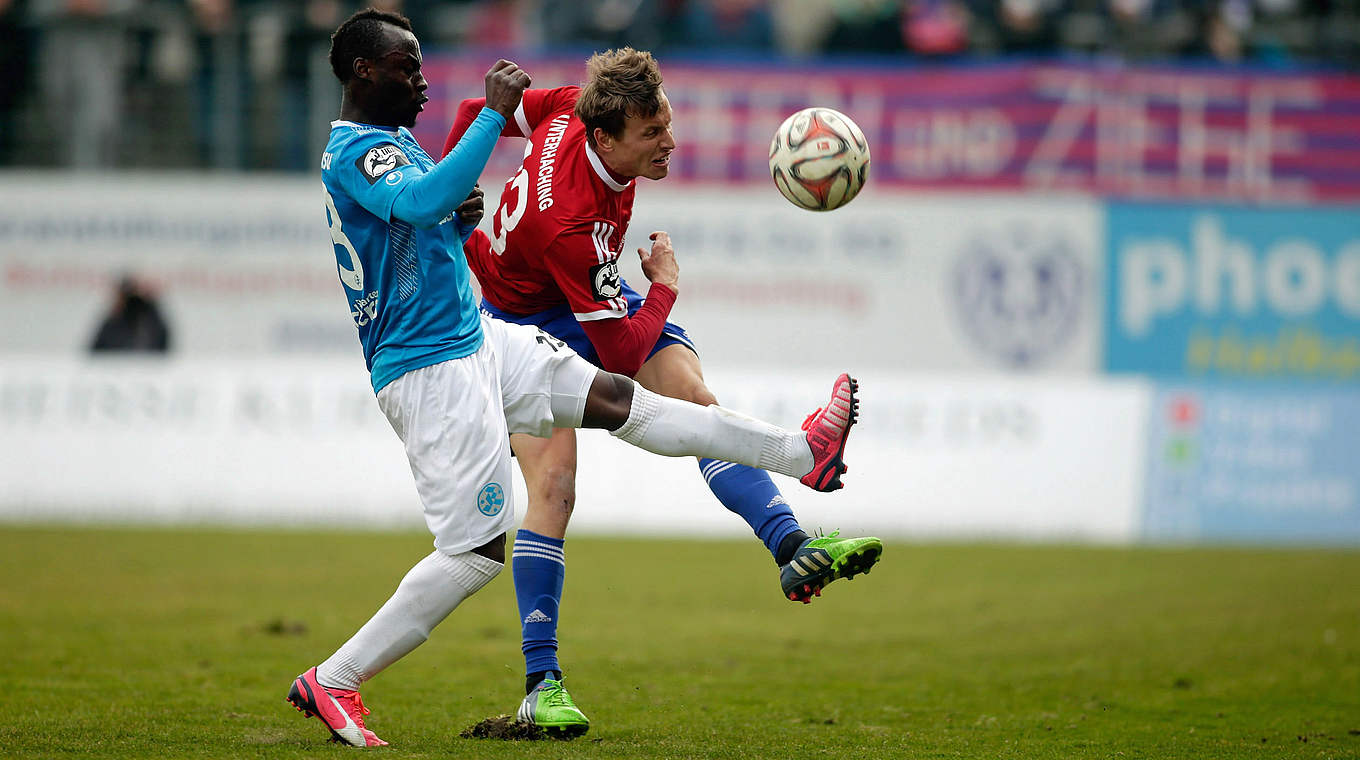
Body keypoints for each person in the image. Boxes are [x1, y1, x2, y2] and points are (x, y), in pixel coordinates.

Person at [287, 9, 861, 748]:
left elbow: (429, 217)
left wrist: (460, 219)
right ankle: (337, 678)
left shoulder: (397, 140)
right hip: (430, 367)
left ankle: (803, 453)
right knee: (476, 551)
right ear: (364, 73)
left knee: (623, 404)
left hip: (478, 338)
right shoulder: (358, 155)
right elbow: (422, 202)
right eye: (409, 68)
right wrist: (490, 127)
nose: (425, 82)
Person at [442, 48, 883, 737]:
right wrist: (667, 284)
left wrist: (454, 191)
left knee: (696, 406)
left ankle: (792, 546)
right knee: (554, 488)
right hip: (516, 325)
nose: (668, 142)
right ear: (605, 137)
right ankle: (540, 685)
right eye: (651, 134)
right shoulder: (569, 222)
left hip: (581, 294)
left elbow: (478, 113)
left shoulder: (568, 107)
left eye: (666, 123)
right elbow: (618, 353)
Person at [89, 275, 171, 353]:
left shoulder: (150, 322)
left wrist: (151, 305)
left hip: (147, 365)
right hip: (117, 365)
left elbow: (163, 346)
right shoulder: (112, 323)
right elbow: (97, 349)